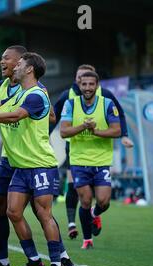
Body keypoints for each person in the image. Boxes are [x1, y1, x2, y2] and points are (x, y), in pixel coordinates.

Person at [0, 52, 70, 266]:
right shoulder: (20, 94)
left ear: (29, 70)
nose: (14, 67)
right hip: (20, 166)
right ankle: (34, 261)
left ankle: (58, 264)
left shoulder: (36, 95)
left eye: (19, 64)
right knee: (12, 212)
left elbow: (14, 116)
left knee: (44, 214)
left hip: (40, 165)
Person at [51, 64, 134, 239]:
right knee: (74, 187)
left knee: (101, 198)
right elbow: (55, 118)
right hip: (74, 148)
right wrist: (44, 137)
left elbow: (120, 116)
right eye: (80, 78)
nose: (84, 82)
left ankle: (93, 215)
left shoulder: (105, 96)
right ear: (77, 79)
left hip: (99, 153)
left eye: (89, 80)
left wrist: (124, 134)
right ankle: (72, 223)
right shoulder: (68, 96)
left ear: (96, 82)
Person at [60, 71, 121, 249]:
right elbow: (63, 132)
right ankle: (87, 240)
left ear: (97, 85)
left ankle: (95, 213)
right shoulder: (70, 104)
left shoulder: (108, 104)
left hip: (101, 161)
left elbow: (116, 130)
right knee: (85, 200)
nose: (87, 88)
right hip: (79, 161)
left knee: (104, 201)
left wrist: (96, 132)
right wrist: (83, 126)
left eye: (91, 84)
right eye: (84, 84)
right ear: (79, 85)